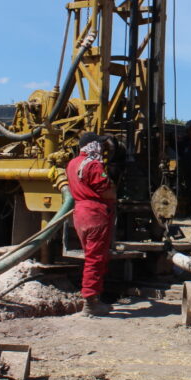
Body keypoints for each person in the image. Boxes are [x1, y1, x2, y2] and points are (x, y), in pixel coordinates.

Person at [66, 132, 117, 318]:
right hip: (96, 214)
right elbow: (107, 191)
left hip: (80, 215)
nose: (103, 148)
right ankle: (90, 303)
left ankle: (95, 299)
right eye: (100, 144)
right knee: (95, 259)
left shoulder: (72, 164)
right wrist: (114, 189)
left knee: (92, 257)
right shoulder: (93, 165)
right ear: (93, 146)